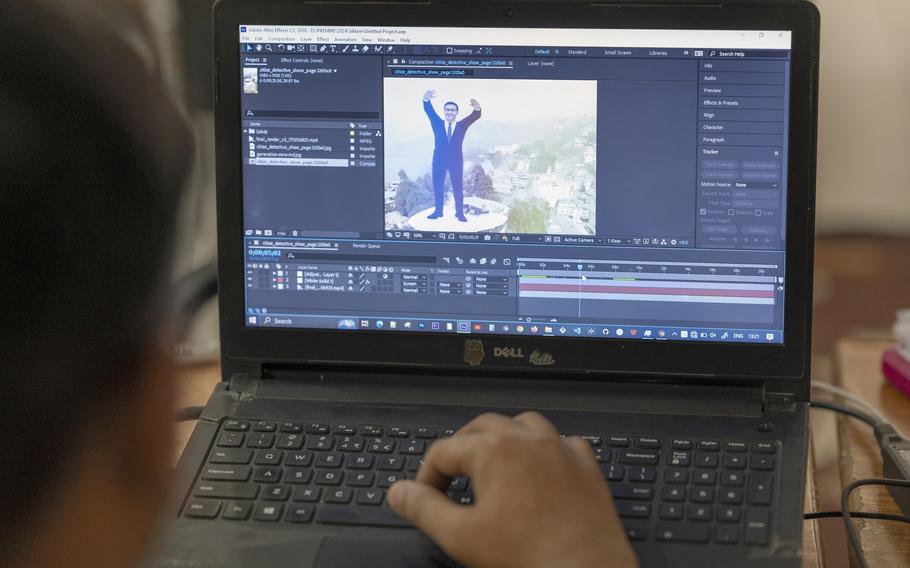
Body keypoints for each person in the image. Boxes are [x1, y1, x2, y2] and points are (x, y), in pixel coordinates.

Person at [0, 3, 637, 568]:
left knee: (454, 206)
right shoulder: (437, 124)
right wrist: (578, 554)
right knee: (445, 203)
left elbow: (460, 121)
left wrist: (467, 109)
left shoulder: (456, 128)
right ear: (145, 407)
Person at [423, 89, 481, 222]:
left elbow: (475, 116)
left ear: (457, 112)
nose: (450, 112)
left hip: (456, 161)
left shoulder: (461, 125)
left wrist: (477, 108)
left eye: (452, 110)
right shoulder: (437, 123)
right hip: (438, 160)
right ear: (444, 111)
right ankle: (438, 212)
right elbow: (429, 111)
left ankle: (459, 213)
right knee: (437, 185)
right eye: (447, 109)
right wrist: (426, 99)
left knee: (457, 187)